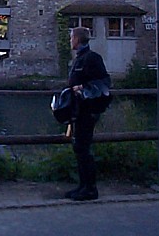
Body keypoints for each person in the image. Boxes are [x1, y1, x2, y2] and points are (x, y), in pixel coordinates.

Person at [65, 26, 111, 201]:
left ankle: (90, 189)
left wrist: (82, 88)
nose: (70, 41)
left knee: (83, 148)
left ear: (77, 39)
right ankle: (83, 186)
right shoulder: (81, 58)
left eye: (71, 38)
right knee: (80, 148)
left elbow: (104, 81)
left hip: (88, 110)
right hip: (79, 109)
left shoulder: (91, 58)